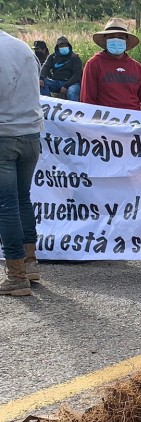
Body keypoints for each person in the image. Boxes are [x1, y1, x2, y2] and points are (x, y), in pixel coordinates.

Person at [0, 30, 44, 297]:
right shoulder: (23, 48)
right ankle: (30, 265)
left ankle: (16, 276)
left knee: (6, 205)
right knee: (22, 198)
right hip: (30, 135)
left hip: (4, 136)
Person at [80, 18, 141, 111]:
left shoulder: (139, 69)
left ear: (126, 40)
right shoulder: (94, 64)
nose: (116, 40)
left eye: (120, 37)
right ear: (105, 39)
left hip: (133, 121)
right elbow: (87, 100)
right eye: (111, 37)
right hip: (104, 120)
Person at [39, 36, 82, 102]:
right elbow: (46, 67)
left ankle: (74, 109)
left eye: (65, 45)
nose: (63, 47)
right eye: (61, 46)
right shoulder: (52, 57)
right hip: (56, 81)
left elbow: (77, 74)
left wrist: (66, 85)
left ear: (68, 46)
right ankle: (49, 104)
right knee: (41, 84)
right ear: (57, 47)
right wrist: (41, 78)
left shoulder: (75, 57)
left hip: (71, 83)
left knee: (72, 92)